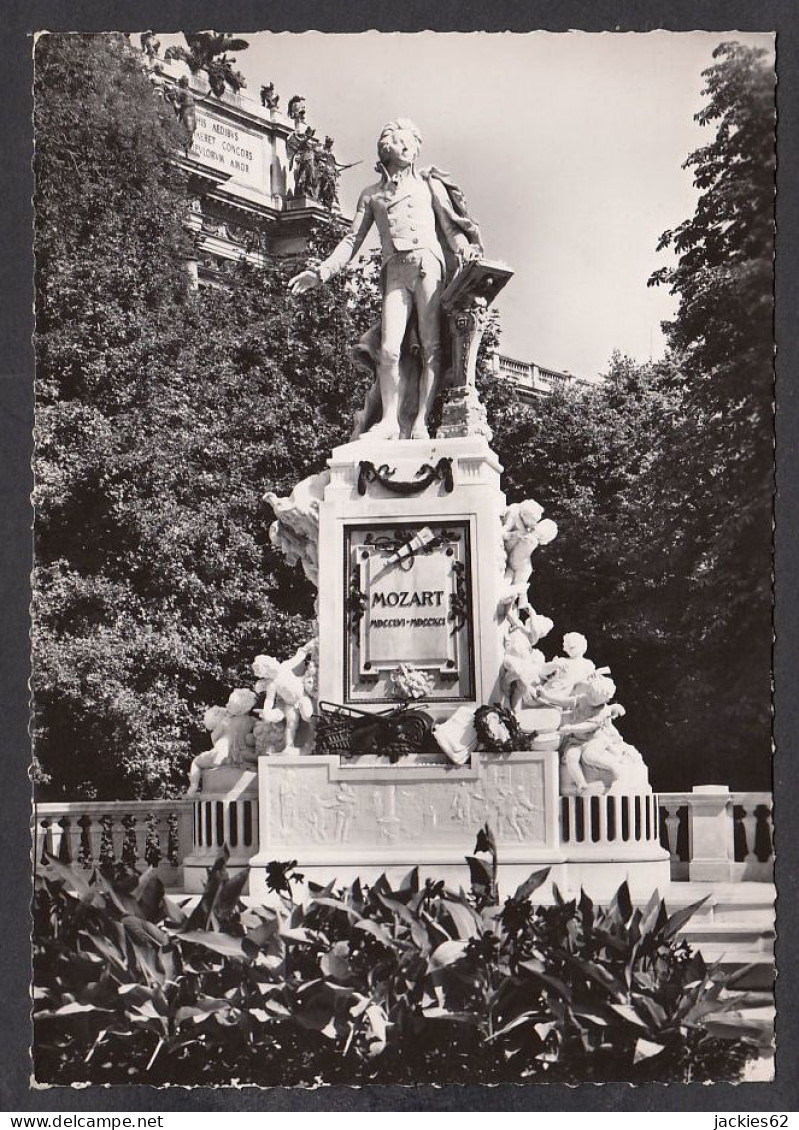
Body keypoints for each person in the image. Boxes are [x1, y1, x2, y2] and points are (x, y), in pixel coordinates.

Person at [288, 119, 482, 440]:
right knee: (390, 350)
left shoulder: (427, 184)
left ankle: (420, 422)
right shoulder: (371, 196)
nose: (408, 148)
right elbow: (352, 240)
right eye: (400, 142)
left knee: (432, 347)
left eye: (412, 144)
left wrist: (465, 250)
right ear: (386, 149)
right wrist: (321, 272)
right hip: (395, 272)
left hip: (428, 266)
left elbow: (450, 227)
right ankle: (390, 421)